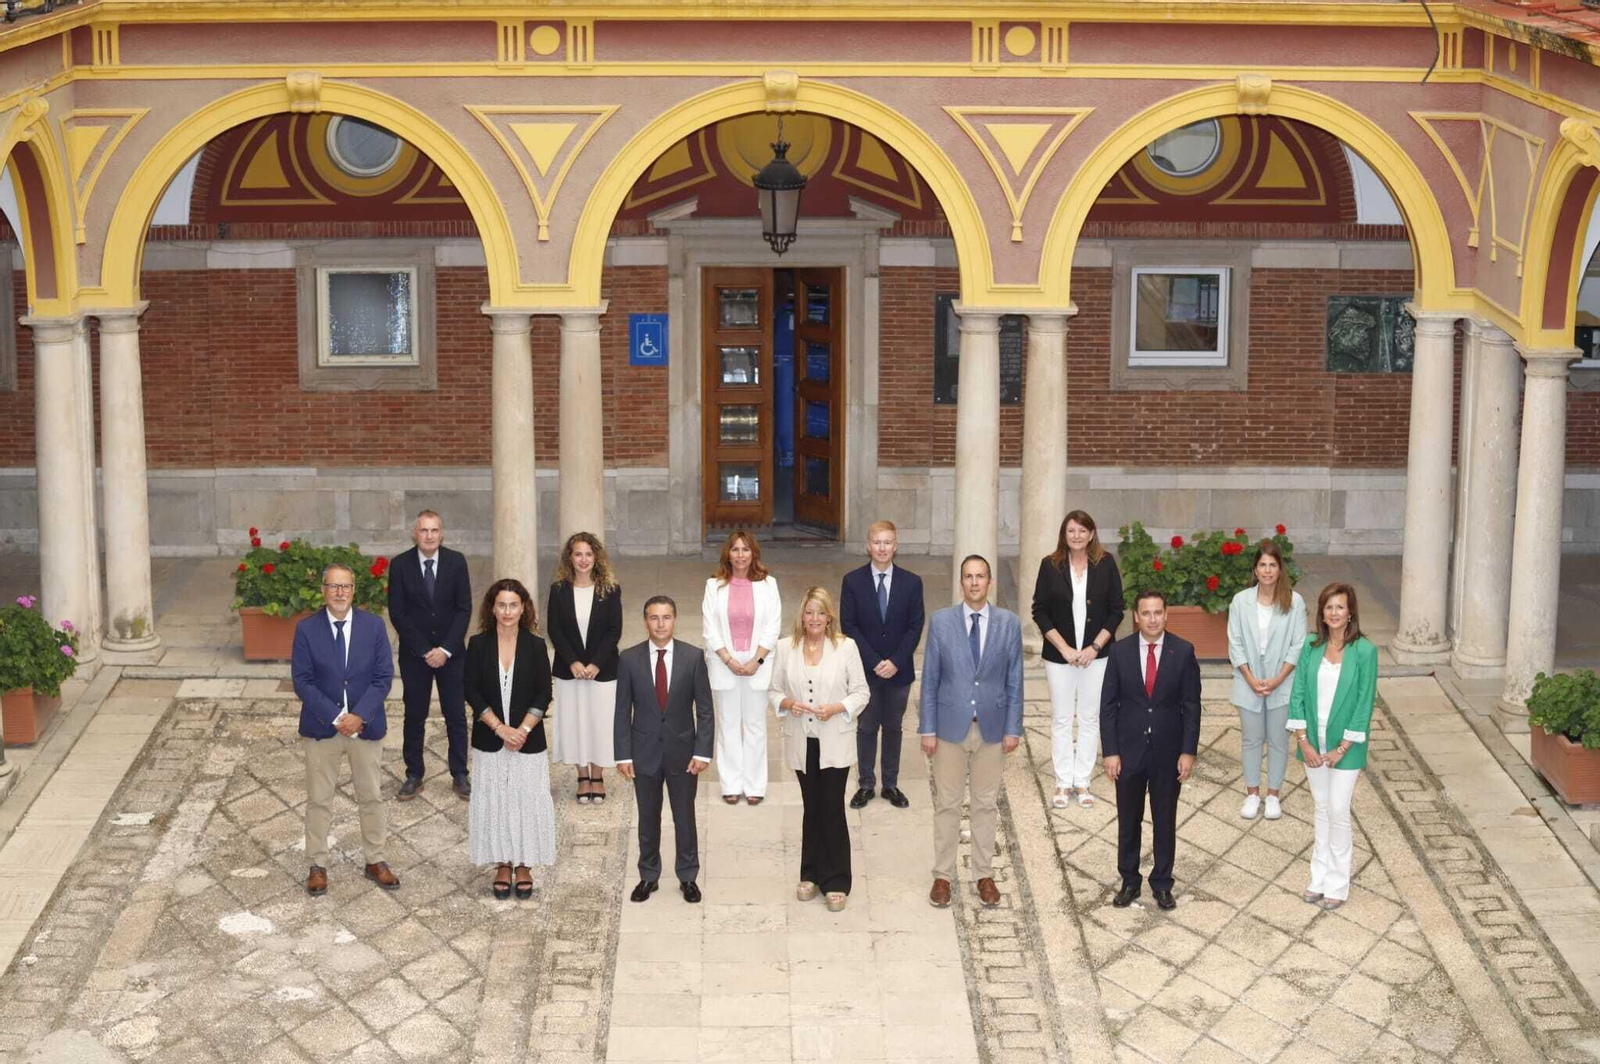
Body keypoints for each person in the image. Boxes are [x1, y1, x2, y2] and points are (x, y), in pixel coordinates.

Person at [919, 555, 1023, 910]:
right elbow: (930, 678)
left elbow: (1014, 679)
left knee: (985, 804)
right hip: (949, 728)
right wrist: (927, 728)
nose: (975, 583)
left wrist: (1013, 727)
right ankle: (943, 876)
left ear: (989, 582)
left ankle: (983, 873)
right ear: (960, 583)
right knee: (947, 804)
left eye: (980, 577)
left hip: (992, 729)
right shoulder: (942, 623)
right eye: (968, 577)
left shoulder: (1008, 624)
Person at [292, 563, 398, 896]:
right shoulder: (306, 630)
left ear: (354, 590)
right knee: (319, 800)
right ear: (323, 590)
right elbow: (303, 682)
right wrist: (338, 716)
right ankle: (317, 864)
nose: (340, 593)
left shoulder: (374, 626)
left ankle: (375, 859)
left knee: (371, 796)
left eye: (346, 587)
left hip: (364, 728)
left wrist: (359, 715)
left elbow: (383, 677)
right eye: (333, 586)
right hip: (323, 728)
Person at [769, 588, 870, 912]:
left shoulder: (846, 648)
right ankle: (809, 873)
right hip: (802, 740)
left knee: (832, 807)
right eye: (809, 612)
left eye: (820, 613)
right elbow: (773, 691)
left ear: (830, 617)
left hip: (835, 741)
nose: (814, 619)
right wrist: (788, 703)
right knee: (811, 806)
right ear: (802, 616)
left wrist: (838, 707)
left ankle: (837, 879)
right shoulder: (786, 648)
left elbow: (861, 692)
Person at [1101, 589, 1201, 912]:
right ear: (1136, 616)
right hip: (1128, 753)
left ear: (1166, 614)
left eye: (1158, 612)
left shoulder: (1183, 652)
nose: (1153, 618)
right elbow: (1108, 707)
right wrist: (1111, 751)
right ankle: (1129, 880)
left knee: (1164, 820)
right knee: (1128, 820)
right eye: (1146, 613)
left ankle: (1162, 883)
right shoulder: (1120, 652)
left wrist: (1188, 752)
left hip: (1167, 753)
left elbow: (1191, 707)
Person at [615, 595, 715, 904]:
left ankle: (688, 876)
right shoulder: (629, 659)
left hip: (683, 753)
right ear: (645, 621)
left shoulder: (693, 657)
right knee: (648, 816)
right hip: (644, 752)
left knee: (684, 816)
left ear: (675, 619)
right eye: (654, 618)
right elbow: (622, 710)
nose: (660, 623)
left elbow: (705, 709)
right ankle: (648, 875)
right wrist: (623, 754)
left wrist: (702, 752)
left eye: (666, 617)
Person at [1286, 582, 1377, 911]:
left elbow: (1365, 703)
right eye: (1328, 607)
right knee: (1322, 808)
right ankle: (1319, 877)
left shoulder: (1365, 651)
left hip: (1346, 747)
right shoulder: (1310, 647)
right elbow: (1297, 694)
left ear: (1350, 611)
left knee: (1338, 810)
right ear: (1321, 613)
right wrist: (1303, 741)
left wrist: (1342, 748)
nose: (1334, 613)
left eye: (1340, 607)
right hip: (1313, 743)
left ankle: (1339, 882)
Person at [464, 579, 557, 900]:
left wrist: (523, 730)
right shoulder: (477, 644)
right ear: (492, 607)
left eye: (513, 605)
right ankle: (503, 863)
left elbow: (544, 691)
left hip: (527, 740)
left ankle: (525, 864)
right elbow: (471, 691)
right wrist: (500, 728)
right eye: (501, 605)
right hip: (491, 739)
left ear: (523, 608)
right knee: (496, 799)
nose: (507, 611)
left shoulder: (535, 644)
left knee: (527, 799)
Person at [1031, 510, 1125, 811]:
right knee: (1061, 717)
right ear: (1064, 533)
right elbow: (1039, 610)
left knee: (1089, 717)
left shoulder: (1106, 564)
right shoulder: (1050, 565)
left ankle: (1082, 780)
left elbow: (1116, 610)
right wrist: (1065, 649)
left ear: (1092, 534)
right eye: (1071, 530)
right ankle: (1062, 781)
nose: (1077, 536)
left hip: (1095, 657)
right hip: (1060, 658)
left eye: (1082, 530)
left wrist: (1094, 647)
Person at [387, 509, 474, 801]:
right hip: (416, 656)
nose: (429, 536)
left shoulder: (456, 562)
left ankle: (460, 774)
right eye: (423, 530)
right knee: (414, 714)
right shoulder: (400, 565)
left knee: (456, 715)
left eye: (434, 530)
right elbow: (397, 613)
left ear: (442, 534)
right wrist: (425, 650)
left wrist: (446, 649)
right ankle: (414, 774)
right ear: (415, 533)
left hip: (452, 655)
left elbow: (464, 608)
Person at [839, 520, 925, 810]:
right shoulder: (853, 581)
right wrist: (875, 662)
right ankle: (865, 784)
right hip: (865, 670)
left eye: (888, 542)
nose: (882, 548)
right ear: (868, 545)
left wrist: (896, 662)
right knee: (865, 727)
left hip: (899, 672)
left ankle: (890, 784)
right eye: (877, 542)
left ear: (896, 546)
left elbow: (915, 627)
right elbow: (849, 626)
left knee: (893, 727)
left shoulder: (912, 583)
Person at [1226, 541, 1306, 821]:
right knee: (1251, 739)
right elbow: (1235, 644)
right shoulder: (1240, 601)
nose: (1268, 570)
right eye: (1263, 565)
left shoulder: (1294, 602)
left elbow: (1297, 646)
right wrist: (1250, 678)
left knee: (1278, 740)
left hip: (1281, 682)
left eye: (1273, 565)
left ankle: (1273, 795)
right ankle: (1252, 794)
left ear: (1280, 568)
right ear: (1255, 569)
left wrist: (1277, 679)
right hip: (1248, 680)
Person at [701, 529, 780, 805]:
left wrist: (756, 660)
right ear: (728, 554)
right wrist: (729, 659)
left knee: (756, 726)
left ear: (753, 553)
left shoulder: (769, 584)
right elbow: (710, 630)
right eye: (735, 549)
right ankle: (731, 785)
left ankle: (755, 786)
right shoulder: (714, 586)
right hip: (726, 665)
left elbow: (773, 627)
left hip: (757, 664)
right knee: (729, 725)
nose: (740, 555)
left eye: (745, 549)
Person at [547, 532, 623, 805]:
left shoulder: (610, 589)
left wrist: (594, 664)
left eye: (588, 554)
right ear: (570, 557)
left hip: (602, 670)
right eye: (578, 554)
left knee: (599, 721)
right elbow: (554, 629)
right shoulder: (558, 590)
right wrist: (574, 662)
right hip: (570, 670)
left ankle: (598, 774)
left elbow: (614, 631)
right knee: (575, 720)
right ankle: (582, 775)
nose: (583, 560)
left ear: (596, 558)